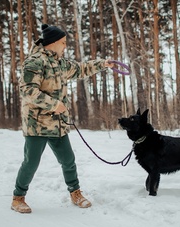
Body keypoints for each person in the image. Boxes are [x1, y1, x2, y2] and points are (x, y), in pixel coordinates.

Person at [11, 24, 114, 213]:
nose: (65, 46)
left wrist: (103, 64)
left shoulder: (60, 63)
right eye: (63, 42)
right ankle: (18, 197)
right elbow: (27, 90)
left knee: (68, 160)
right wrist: (53, 104)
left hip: (58, 124)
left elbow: (82, 69)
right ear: (53, 43)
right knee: (31, 162)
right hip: (37, 124)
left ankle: (75, 193)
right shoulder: (34, 62)